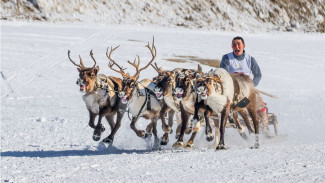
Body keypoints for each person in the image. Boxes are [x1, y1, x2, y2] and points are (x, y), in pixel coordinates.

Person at [220, 36, 273, 137]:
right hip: (233, 89)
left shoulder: (250, 59)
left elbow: (258, 74)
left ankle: (265, 127)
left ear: (243, 46)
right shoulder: (226, 58)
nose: (236, 46)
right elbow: (224, 73)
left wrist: (252, 85)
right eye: (234, 44)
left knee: (259, 103)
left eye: (239, 44)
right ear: (231, 46)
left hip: (248, 89)